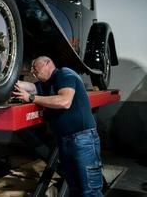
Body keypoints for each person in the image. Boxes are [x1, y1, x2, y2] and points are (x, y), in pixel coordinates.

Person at [13, 56, 103, 196]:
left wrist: (31, 98)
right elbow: (30, 87)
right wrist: (9, 81)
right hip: (65, 140)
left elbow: (64, 101)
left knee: (90, 191)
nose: (32, 71)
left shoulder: (64, 74)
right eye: (31, 69)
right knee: (75, 189)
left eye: (35, 67)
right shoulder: (47, 84)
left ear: (48, 63)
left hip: (82, 139)